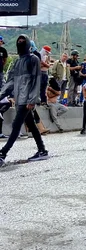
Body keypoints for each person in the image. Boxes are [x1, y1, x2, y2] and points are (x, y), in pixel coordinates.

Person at [0, 34, 48, 167]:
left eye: (22, 41)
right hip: (20, 99)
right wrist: (1, 95)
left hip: (27, 100)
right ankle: (42, 150)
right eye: (18, 41)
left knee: (16, 126)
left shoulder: (33, 59)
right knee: (31, 125)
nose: (20, 43)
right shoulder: (17, 61)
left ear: (27, 44)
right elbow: (10, 82)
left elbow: (36, 80)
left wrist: (32, 100)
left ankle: (3, 153)